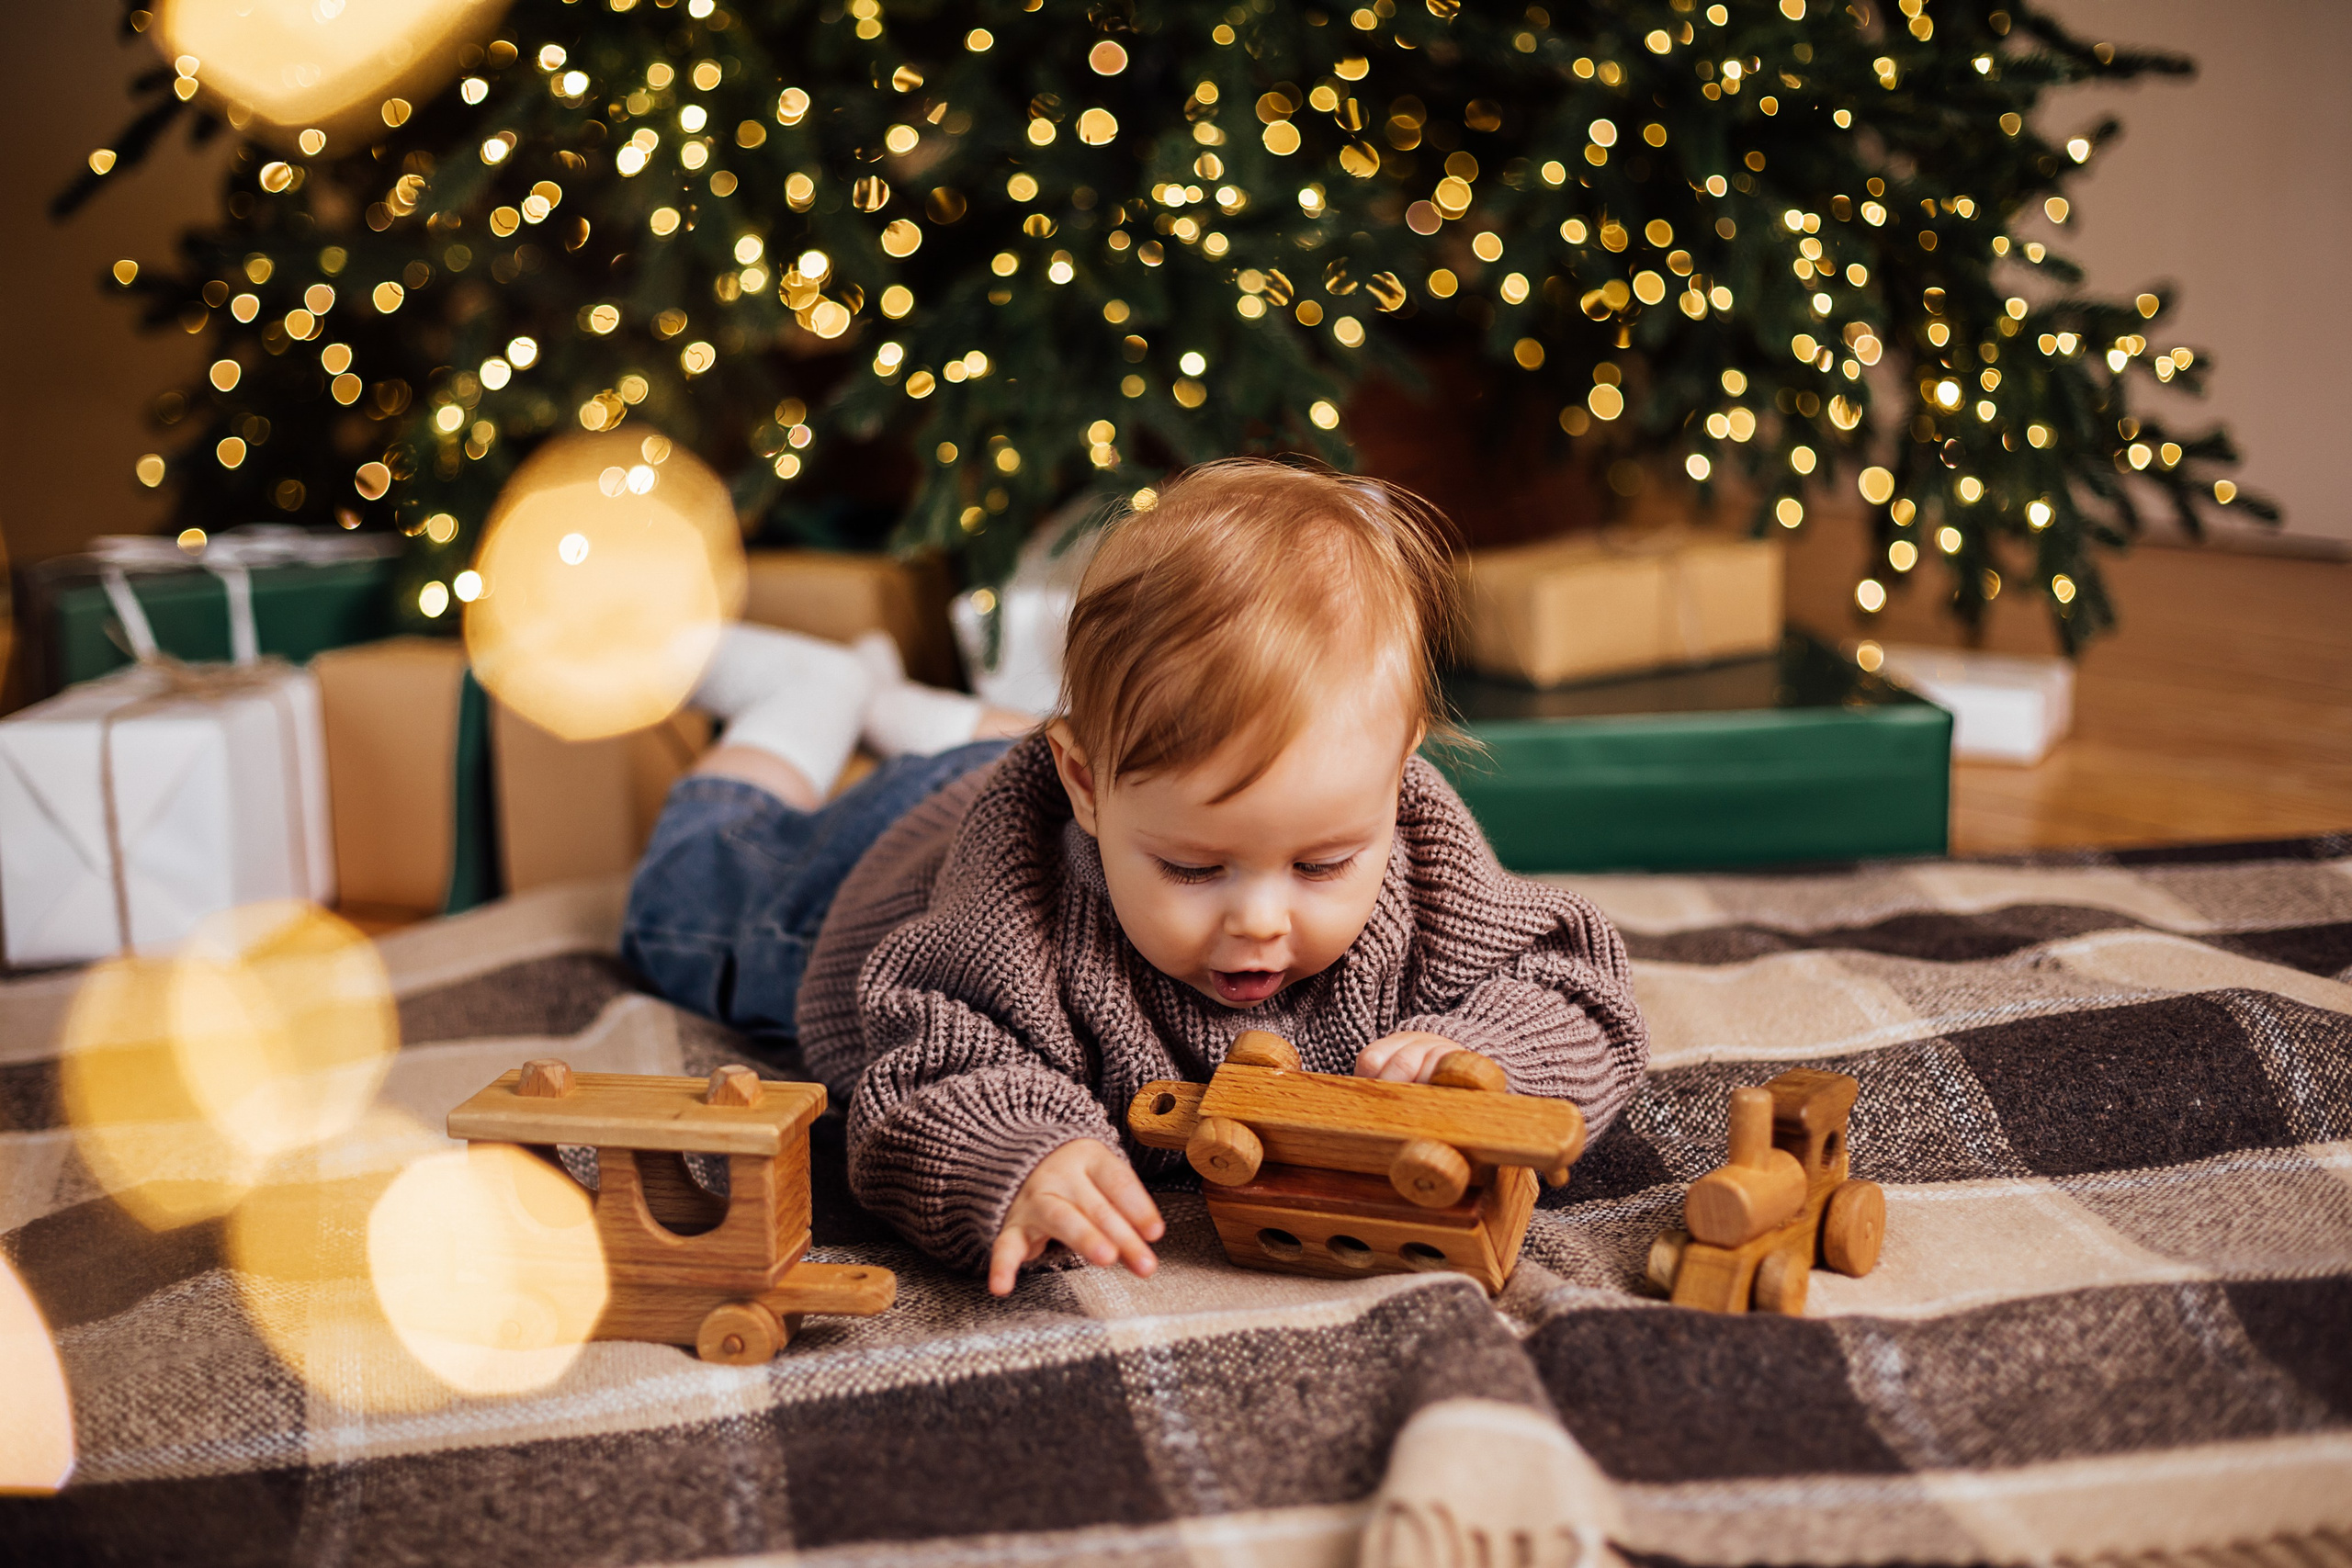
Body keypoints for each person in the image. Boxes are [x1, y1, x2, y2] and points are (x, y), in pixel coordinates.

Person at [623, 459, 1649, 1295]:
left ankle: (914, 707)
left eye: (1323, 863)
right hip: (864, 873)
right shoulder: (1003, 933)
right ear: (1084, 787)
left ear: (1398, 770)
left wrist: (1481, 1061)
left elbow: (1577, 989)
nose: (1258, 919)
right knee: (685, 896)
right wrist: (1018, 1157)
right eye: (1195, 868)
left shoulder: (1420, 850)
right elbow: (928, 1077)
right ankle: (805, 694)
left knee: (1042, 763)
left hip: (1060, 776)